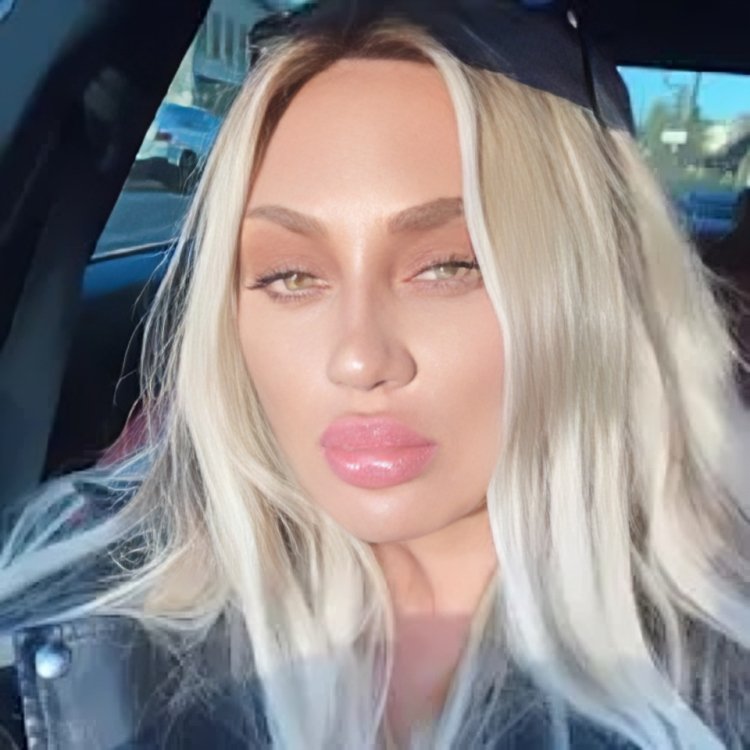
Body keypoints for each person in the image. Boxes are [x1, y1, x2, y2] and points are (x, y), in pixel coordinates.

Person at [1, 2, 749, 748]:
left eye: (449, 267)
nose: (358, 358)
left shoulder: (720, 670)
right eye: (291, 276)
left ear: (598, 292)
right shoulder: (72, 616)